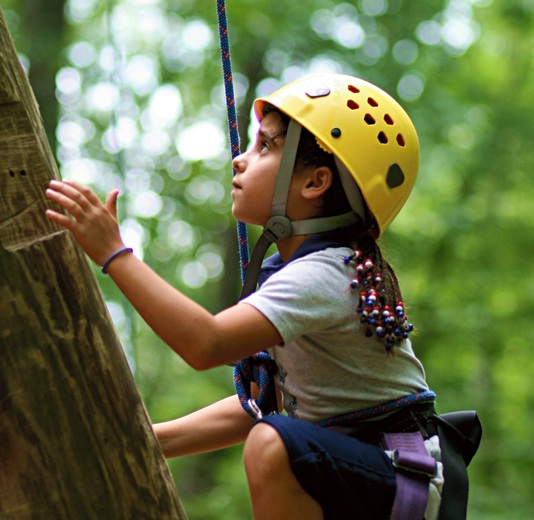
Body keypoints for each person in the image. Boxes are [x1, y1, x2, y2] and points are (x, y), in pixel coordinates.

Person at [45, 74, 476, 520]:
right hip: (376, 476)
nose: (240, 160)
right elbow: (257, 404)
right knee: (274, 434)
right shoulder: (309, 274)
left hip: (399, 481)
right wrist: (145, 441)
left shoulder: (324, 275)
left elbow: (206, 343)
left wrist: (114, 253)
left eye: (265, 147)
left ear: (315, 182)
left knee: (273, 443)